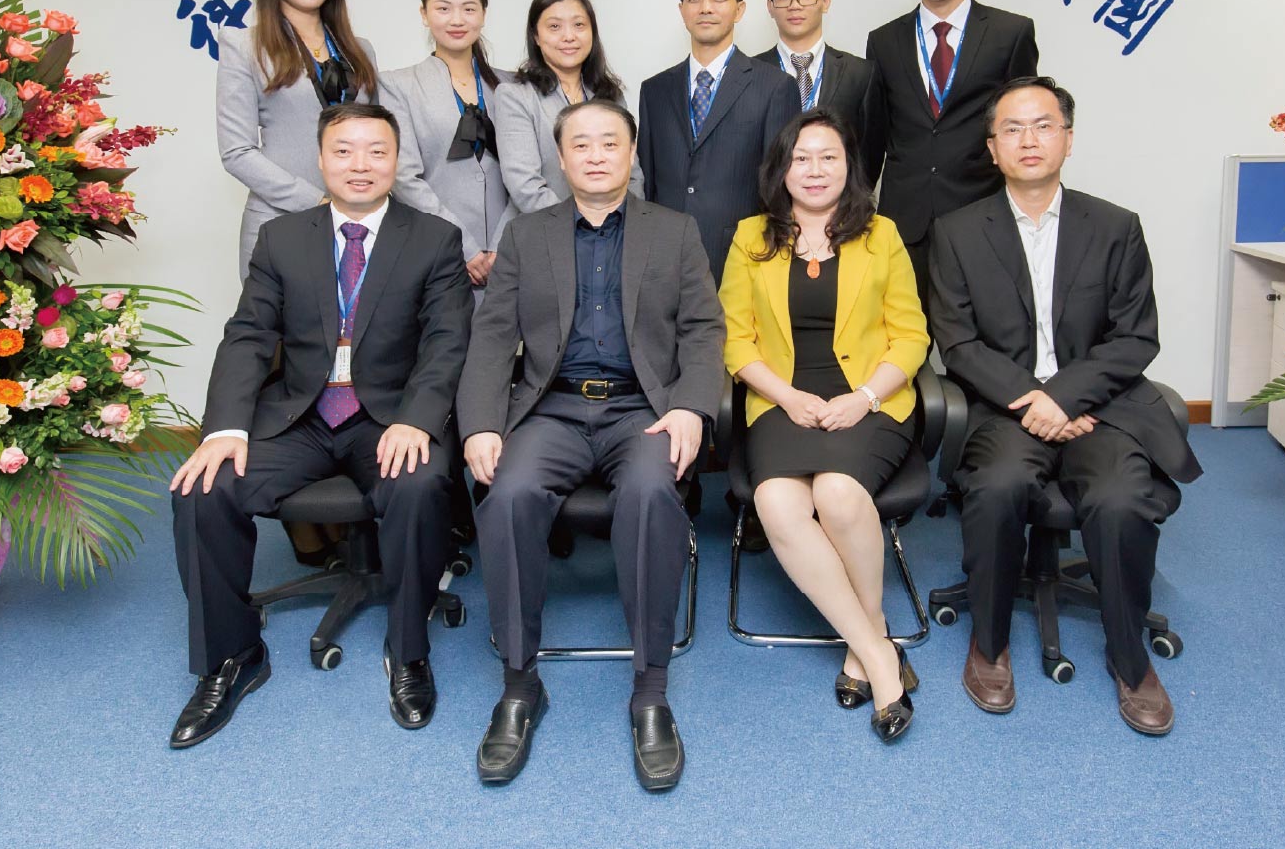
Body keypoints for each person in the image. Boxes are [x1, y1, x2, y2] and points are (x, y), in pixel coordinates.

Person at [168, 103, 473, 748]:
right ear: (320, 158)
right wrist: (224, 429)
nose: (360, 165)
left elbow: (447, 343)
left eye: (376, 151)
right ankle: (232, 655)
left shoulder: (434, 238)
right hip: (300, 414)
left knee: (419, 484)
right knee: (203, 487)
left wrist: (419, 420)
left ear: (396, 160)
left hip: (387, 417)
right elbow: (249, 336)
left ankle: (408, 652)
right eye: (344, 150)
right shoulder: (282, 237)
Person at [459, 99, 725, 791]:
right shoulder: (528, 234)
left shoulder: (674, 230)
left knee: (650, 493)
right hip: (551, 407)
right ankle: (520, 683)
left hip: (642, 410)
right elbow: (493, 336)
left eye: (611, 142)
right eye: (582, 144)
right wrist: (481, 422)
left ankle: (650, 690)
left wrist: (693, 408)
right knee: (508, 496)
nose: (597, 155)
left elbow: (704, 330)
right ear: (562, 157)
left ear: (631, 153)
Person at [927, 77, 1201, 737]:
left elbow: (1136, 337)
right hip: (1006, 406)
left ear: (1068, 140)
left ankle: (1130, 659)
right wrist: (1036, 400)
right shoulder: (956, 232)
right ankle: (989, 645)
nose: (1029, 139)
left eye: (1043, 125)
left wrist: (1067, 397)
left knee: (1120, 497)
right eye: (1012, 128)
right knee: (996, 487)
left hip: (1100, 406)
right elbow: (956, 341)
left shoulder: (1115, 227)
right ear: (993, 148)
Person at [718, 109, 928, 743]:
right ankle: (877, 647)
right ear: (781, 169)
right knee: (776, 501)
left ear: (849, 167)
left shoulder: (881, 235)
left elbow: (911, 336)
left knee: (838, 491)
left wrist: (863, 398)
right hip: (782, 400)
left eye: (828, 157)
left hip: (869, 400)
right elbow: (734, 340)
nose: (814, 170)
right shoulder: (751, 237)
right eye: (800, 157)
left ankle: (869, 648)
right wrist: (786, 397)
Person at [864, 0, 1039, 296]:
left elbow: (1021, 127)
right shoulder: (884, 40)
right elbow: (874, 135)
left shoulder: (1010, 33)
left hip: (982, 213)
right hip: (905, 222)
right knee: (905, 330)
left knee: (985, 329)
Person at [217, 0, 379, 278]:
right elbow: (236, 152)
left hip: (357, 226)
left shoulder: (361, 50)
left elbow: (377, 140)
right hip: (280, 222)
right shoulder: (244, 46)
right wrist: (319, 203)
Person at [637, 0, 800, 281]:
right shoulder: (654, 90)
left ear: (739, 10)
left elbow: (780, 186)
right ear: (682, 9)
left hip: (743, 257)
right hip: (663, 260)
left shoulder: (775, 86)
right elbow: (648, 183)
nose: (705, 8)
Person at [384, 0, 515, 293]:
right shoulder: (397, 85)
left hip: (511, 256)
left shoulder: (512, 85)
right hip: (435, 252)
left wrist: (505, 242)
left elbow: (527, 172)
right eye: (443, 8)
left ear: (483, 14)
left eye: (468, 9)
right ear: (424, 14)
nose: (457, 20)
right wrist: (463, 246)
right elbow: (404, 177)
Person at [494, 0, 645, 211]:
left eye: (579, 25)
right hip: (542, 228)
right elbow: (525, 186)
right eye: (554, 26)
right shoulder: (515, 96)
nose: (569, 36)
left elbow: (632, 175)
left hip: (616, 229)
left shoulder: (611, 95)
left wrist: (623, 223)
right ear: (536, 36)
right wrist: (583, 226)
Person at [764, 0, 882, 155]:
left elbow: (870, 152)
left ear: (825, 1)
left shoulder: (860, 73)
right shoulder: (751, 73)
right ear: (770, 6)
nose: (795, 5)